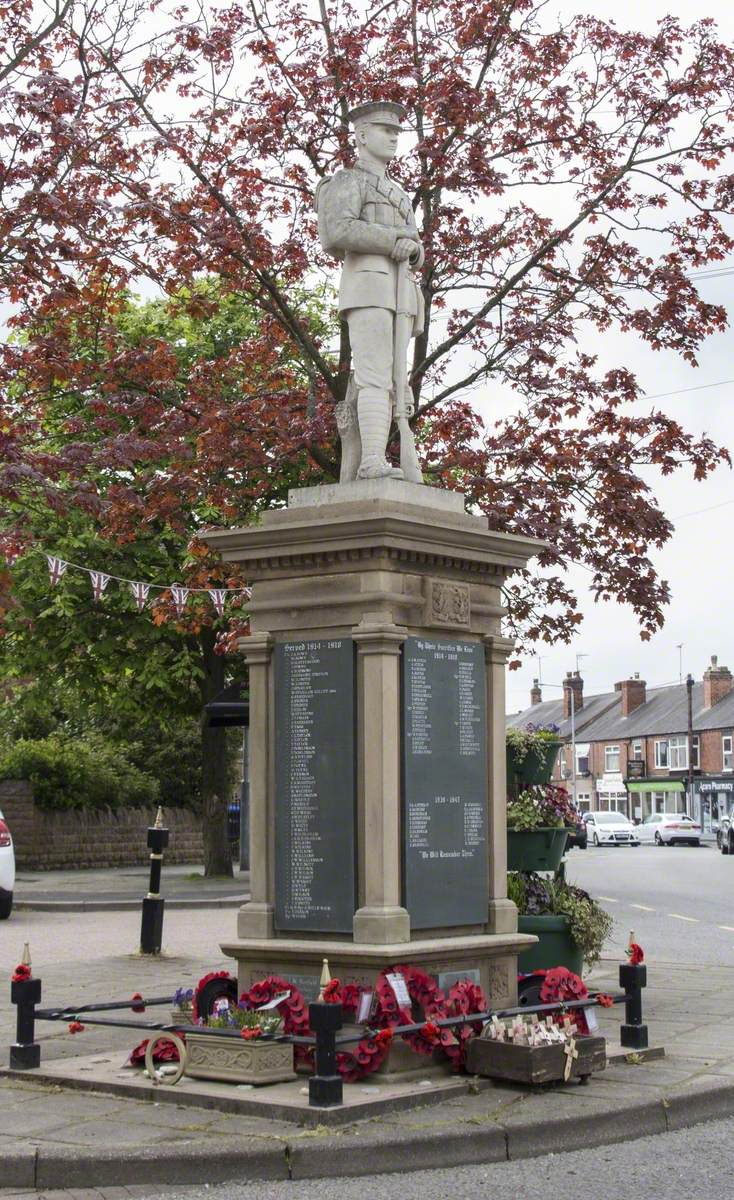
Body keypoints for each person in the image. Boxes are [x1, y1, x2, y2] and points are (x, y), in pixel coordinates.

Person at [316, 101, 424, 481]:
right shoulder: (347, 181)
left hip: (401, 291)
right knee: (376, 374)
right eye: (385, 130)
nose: (394, 137)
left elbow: (414, 244)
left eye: (396, 132)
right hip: (369, 285)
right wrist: (395, 240)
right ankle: (371, 462)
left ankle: (378, 456)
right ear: (361, 135)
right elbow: (336, 231)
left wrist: (413, 248)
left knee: (397, 382)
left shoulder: (399, 192)